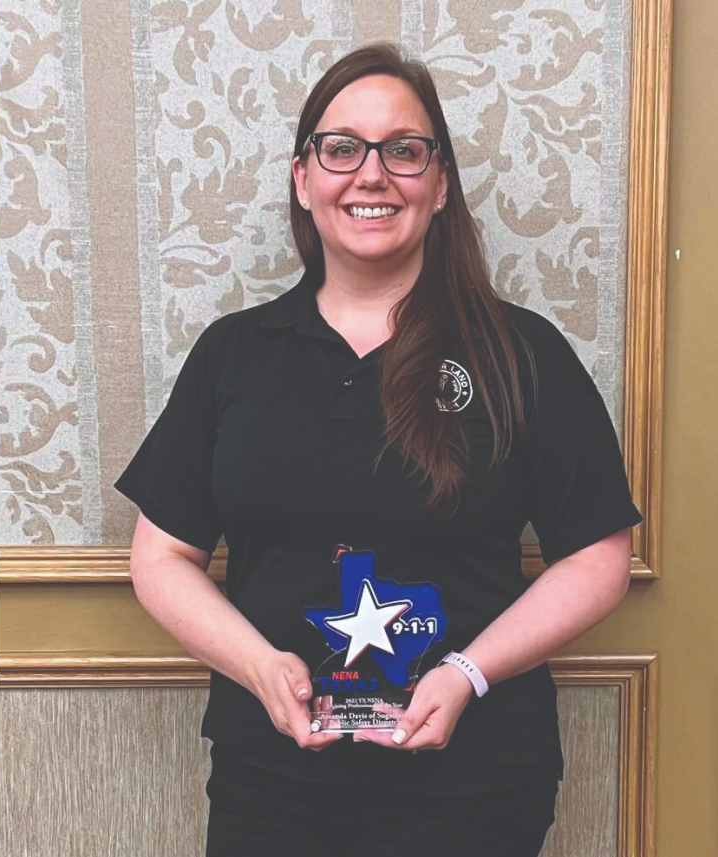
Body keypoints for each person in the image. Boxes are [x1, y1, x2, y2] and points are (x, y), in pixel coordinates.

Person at [114, 43, 639, 857]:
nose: (371, 174)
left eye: (403, 150)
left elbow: (600, 555)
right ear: (303, 179)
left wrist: (467, 673)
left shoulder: (519, 353)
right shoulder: (234, 355)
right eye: (341, 147)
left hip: (477, 780)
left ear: (439, 185)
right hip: (274, 781)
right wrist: (259, 666)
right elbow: (159, 558)